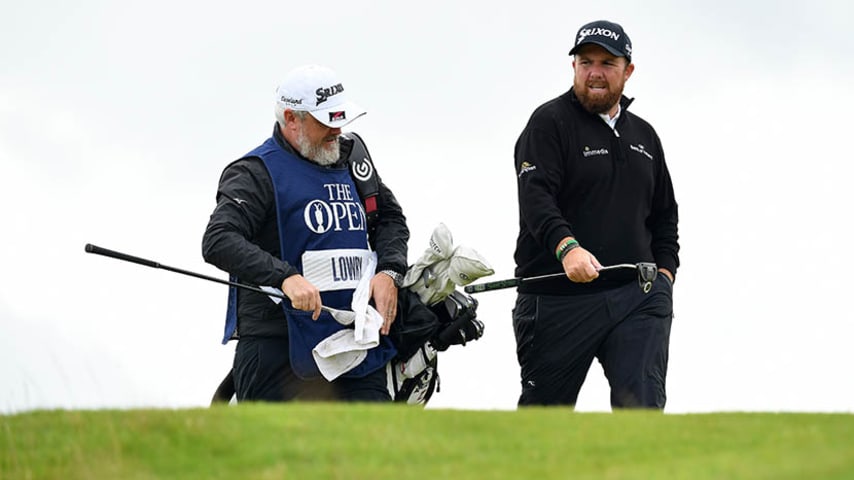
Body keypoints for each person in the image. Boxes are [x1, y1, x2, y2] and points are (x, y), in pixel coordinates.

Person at [202, 64, 409, 402]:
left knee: (376, 449)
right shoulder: (254, 172)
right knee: (277, 455)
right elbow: (219, 239)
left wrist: (390, 271)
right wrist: (285, 277)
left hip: (353, 344)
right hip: (277, 350)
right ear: (292, 118)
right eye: (325, 121)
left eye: (340, 120)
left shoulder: (352, 158)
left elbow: (390, 218)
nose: (336, 131)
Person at [511, 20, 680, 409]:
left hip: (638, 297)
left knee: (641, 411)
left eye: (607, 63)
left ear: (628, 71)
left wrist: (665, 275)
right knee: (544, 422)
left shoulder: (645, 136)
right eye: (585, 61)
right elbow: (536, 198)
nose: (595, 72)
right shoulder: (549, 123)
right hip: (557, 299)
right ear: (573, 67)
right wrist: (567, 248)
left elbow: (665, 215)